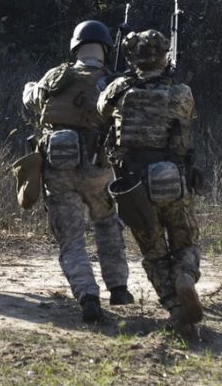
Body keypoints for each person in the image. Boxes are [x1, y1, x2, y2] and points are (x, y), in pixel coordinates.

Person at [22, 20, 132, 323]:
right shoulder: (113, 81)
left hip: (58, 167)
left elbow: (31, 98)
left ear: (75, 46)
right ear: (106, 49)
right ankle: (119, 287)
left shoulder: (56, 76)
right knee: (107, 223)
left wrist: (31, 87)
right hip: (97, 166)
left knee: (71, 238)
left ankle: (87, 296)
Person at [98, 29, 203, 334]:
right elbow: (189, 116)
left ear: (132, 58)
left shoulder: (119, 89)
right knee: (185, 241)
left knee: (153, 252)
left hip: (134, 184)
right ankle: (185, 275)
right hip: (173, 179)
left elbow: (100, 111)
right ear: (164, 55)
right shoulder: (181, 91)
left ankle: (175, 307)